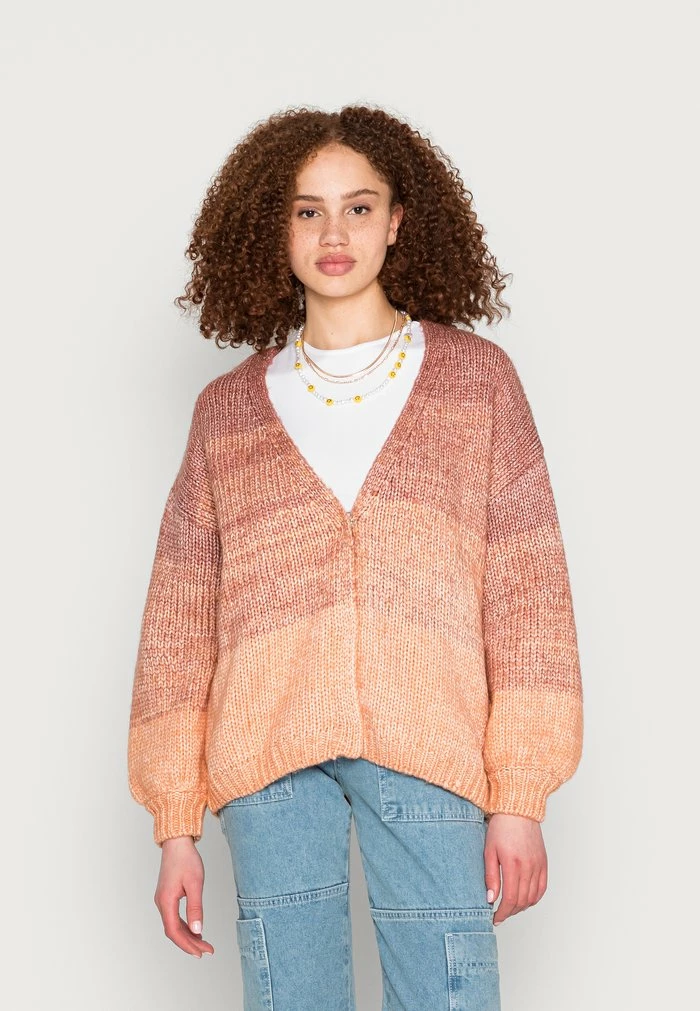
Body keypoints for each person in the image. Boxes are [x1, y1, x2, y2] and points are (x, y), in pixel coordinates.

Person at [127, 103, 583, 1009]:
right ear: (276, 228)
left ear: (398, 220)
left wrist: (521, 794)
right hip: (267, 764)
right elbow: (178, 624)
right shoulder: (226, 411)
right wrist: (174, 821)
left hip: (431, 747)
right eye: (308, 211)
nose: (334, 234)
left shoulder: (479, 382)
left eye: (359, 207)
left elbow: (529, 597)